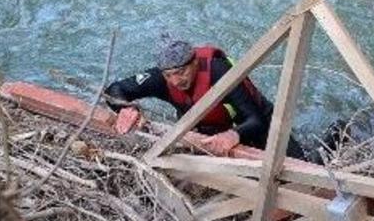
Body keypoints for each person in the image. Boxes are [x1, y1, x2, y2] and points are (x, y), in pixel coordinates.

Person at [104, 38, 301, 157]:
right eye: (168, 75)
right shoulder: (161, 78)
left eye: (181, 72)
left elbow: (256, 119)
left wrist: (233, 135)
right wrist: (126, 108)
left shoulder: (218, 71)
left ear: (195, 63)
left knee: (300, 161)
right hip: (209, 128)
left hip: (257, 122)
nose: (175, 81)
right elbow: (115, 88)